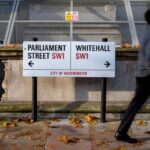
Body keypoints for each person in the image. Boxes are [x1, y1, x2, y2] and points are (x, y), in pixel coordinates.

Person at [115, 9, 150, 143]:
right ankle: (121, 131)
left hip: (143, 74)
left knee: (136, 103)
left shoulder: (147, 32)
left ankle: (122, 129)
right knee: (136, 103)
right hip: (147, 75)